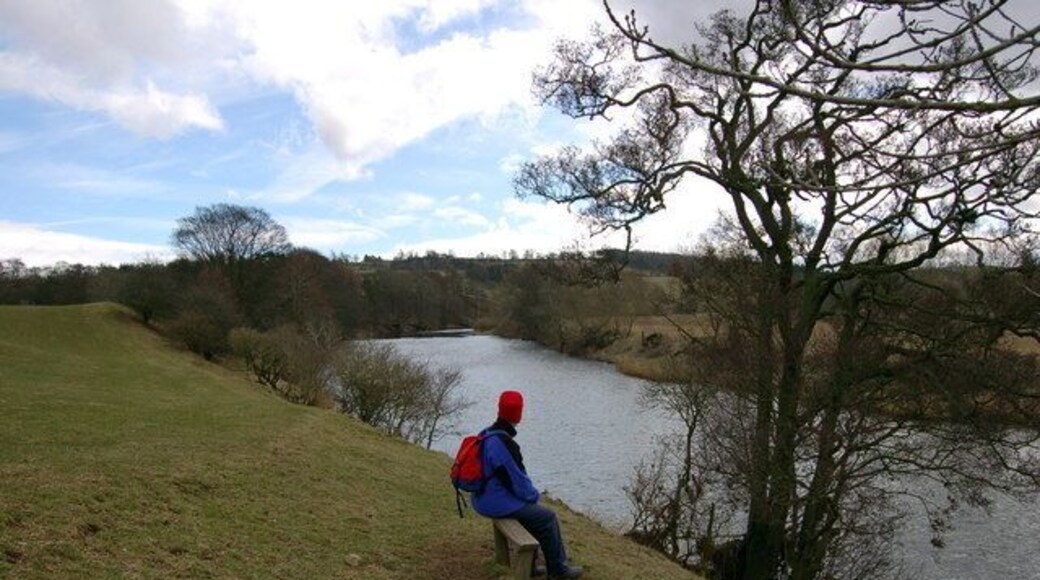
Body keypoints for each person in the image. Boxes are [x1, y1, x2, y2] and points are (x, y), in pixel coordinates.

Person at [471, 390, 584, 579]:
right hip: (493, 501)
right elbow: (519, 482)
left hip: (482, 495)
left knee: (532, 514)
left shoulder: (487, 433)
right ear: (518, 414)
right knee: (547, 517)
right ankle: (558, 570)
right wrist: (534, 497)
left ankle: (534, 567)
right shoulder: (504, 443)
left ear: (499, 410)